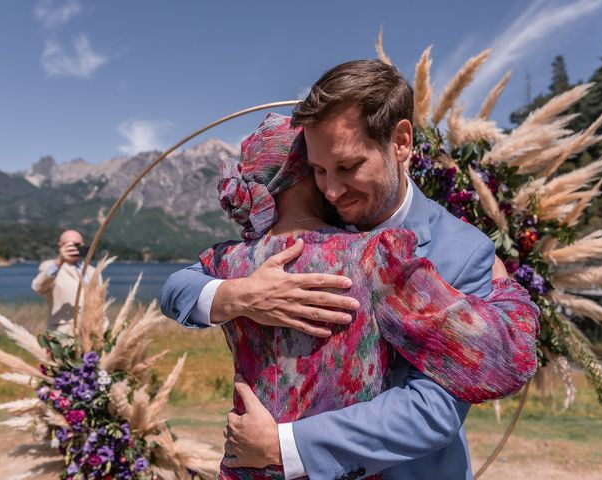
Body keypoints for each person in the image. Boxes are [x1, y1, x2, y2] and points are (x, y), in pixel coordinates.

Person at [160, 60, 539, 480]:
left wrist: (283, 445)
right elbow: (179, 286)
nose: (333, 191)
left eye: (347, 167)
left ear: (400, 142)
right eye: (319, 171)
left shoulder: (462, 252)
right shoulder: (313, 229)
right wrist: (239, 296)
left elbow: (434, 408)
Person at [31, 229, 97, 333]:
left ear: (83, 245)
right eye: (66, 244)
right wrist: (59, 262)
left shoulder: (93, 271)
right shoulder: (50, 267)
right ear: (60, 246)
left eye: (76, 244)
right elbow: (37, 287)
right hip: (64, 335)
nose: (72, 247)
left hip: (93, 333)